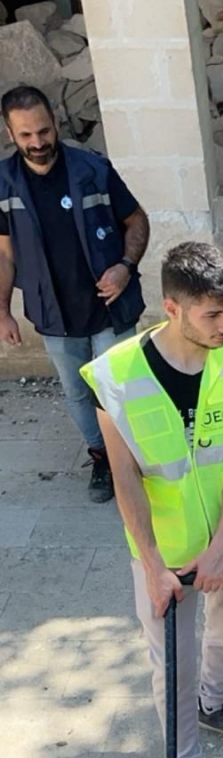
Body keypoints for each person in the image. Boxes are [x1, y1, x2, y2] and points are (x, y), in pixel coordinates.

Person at [81, 241, 223, 758]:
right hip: (159, 553)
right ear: (172, 308)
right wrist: (156, 567)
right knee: (172, 666)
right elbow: (125, 478)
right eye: (213, 316)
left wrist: (219, 548)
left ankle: (216, 705)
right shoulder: (114, 375)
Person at [0, 84, 150, 501]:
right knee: (77, 392)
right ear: (11, 134)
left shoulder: (93, 169)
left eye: (44, 132)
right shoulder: (3, 184)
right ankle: (103, 458)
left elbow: (137, 221)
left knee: (122, 390)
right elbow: (4, 256)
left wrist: (125, 266)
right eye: (26, 135)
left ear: (56, 124)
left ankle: (135, 461)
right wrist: (3, 311)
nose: (38, 143)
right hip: (54, 315)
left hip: (110, 308)